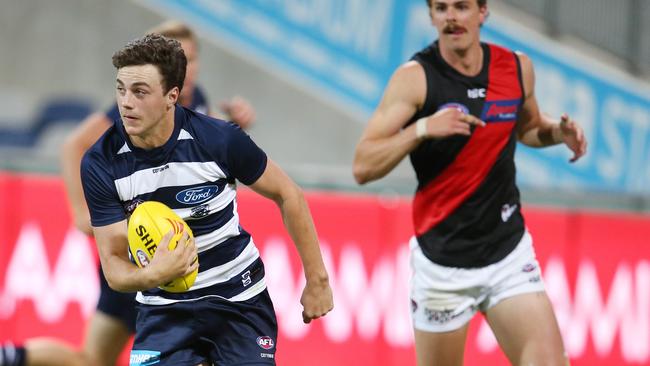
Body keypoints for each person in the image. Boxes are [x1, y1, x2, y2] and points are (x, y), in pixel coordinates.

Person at [0, 21, 257, 366]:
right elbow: (74, 145)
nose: (188, 67)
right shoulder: (139, 107)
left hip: (176, 257)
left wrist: (235, 125)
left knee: (94, 359)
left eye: (192, 58)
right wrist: (82, 215)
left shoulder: (198, 100)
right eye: (180, 58)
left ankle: (13, 356)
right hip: (144, 253)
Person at [353, 1, 586, 365]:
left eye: (461, 6)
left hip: (507, 254)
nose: (451, 17)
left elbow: (527, 127)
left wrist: (558, 132)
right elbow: (363, 165)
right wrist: (423, 128)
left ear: (482, 12)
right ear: (430, 16)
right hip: (443, 266)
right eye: (441, 8)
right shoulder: (416, 78)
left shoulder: (516, 68)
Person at [81, 33, 332, 365]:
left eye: (140, 92)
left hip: (238, 301)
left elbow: (288, 194)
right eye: (121, 89)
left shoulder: (218, 140)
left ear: (172, 95)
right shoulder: (101, 162)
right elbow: (114, 269)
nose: (125, 103)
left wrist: (318, 280)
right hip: (163, 310)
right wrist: (153, 275)